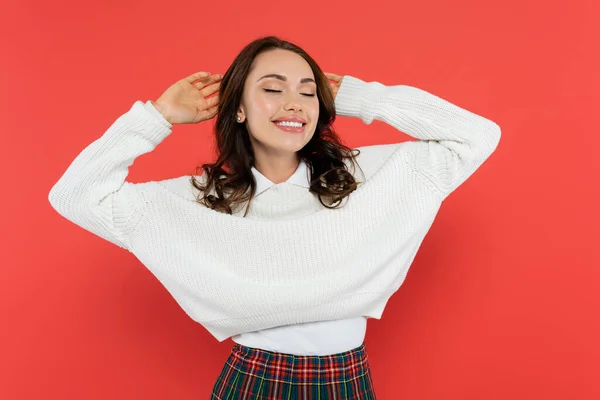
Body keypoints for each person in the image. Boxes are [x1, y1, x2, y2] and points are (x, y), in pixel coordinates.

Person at [48, 36, 501, 399]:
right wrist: (157, 116)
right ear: (238, 109)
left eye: (308, 91)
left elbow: (478, 136)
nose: (295, 103)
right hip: (255, 380)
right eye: (271, 88)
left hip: (346, 378)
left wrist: (362, 97)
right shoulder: (202, 201)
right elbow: (75, 195)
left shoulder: (370, 178)